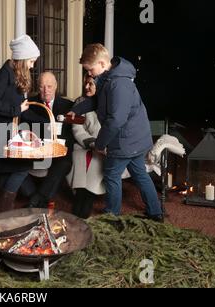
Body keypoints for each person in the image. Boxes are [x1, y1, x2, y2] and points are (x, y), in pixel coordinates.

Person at [69, 43, 164, 222]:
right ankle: (155, 212)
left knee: (112, 175)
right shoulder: (108, 78)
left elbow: (116, 121)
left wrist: (100, 144)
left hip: (125, 141)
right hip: (134, 139)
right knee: (140, 173)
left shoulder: (119, 84)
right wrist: (78, 110)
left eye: (90, 69)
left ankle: (112, 216)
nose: (88, 73)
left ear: (103, 64)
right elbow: (98, 101)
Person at [0, 34, 40, 212]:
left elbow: (22, 107)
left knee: (9, 169)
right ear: (22, 60)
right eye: (31, 61)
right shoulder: (4, 74)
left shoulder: (16, 74)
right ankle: (3, 209)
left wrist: (45, 121)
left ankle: (3, 210)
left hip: (9, 131)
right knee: (22, 166)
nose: (32, 65)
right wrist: (16, 110)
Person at [22, 72, 75, 208]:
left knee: (64, 163)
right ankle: (37, 197)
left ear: (56, 86)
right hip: (36, 151)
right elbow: (24, 130)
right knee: (13, 163)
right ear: (37, 87)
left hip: (58, 152)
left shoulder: (68, 106)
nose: (46, 90)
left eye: (49, 86)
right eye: (42, 87)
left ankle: (37, 199)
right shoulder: (29, 105)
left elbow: (70, 134)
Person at [66, 75, 105, 218]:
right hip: (82, 144)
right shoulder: (79, 103)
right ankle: (79, 201)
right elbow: (77, 129)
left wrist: (99, 143)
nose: (86, 87)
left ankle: (86, 204)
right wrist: (89, 142)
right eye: (86, 84)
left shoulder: (107, 103)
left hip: (101, 147)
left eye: (91, 84)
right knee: (78, 160)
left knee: (96, 164)